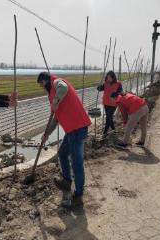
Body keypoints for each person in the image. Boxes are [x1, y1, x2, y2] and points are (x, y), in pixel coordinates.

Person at [37, 72, 91, 207]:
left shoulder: (57, 83)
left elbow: (64, 88)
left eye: (42, 85)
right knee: (62, 153)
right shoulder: (53, 94)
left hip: (78, 128)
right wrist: (47, 134)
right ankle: (67, 181)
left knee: (76, 163)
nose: (43, 88)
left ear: (44, 81)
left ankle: (78, 195)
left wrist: (55, 101)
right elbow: (56, 119)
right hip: (71, 130)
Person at [97, 71, 123, 135]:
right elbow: (99, 89)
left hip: (113, 104)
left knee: (108, 117)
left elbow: (120, 92)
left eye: (110, 78)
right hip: (106, 103)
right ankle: (113, 129)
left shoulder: (118, 83)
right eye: (108, 77)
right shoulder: (106, 83)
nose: (109, 79)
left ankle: (105, 132)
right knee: (109, 117)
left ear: (113, 77)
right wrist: (99, 85)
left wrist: (115, 94)